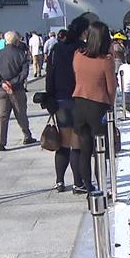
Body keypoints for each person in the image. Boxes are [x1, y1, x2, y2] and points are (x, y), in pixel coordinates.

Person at [46, 17, 90, 193]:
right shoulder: (83, 49)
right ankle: (78, 183)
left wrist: (50, 96)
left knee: (63, 143)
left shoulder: (57, 49)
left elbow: (50, 74)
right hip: (78, 99)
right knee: (77, 143)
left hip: (60, 100)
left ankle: (59, 181)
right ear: (84, 32)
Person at [73, 21, 117, 192]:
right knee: (100, 151)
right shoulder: (106, 60)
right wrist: (111, 106)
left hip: (79, 103)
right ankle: (102, 187)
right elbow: (111, 88)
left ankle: (88, 186)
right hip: (98, 105)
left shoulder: (78, 55)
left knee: (85, 149)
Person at [0, 31, 35, 151]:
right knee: (21, 114)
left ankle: (0, 142)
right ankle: (27, 135)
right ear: (17, 41)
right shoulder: (22, 55)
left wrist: (2, 83)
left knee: (2, 116)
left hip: (1, 89)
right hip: (17, 89)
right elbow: (24, 73)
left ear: (5, 41)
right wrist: (13, 82)